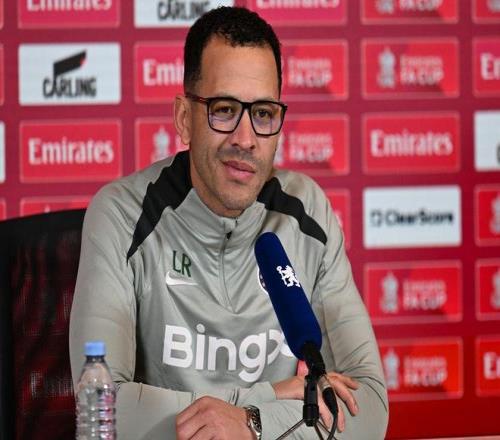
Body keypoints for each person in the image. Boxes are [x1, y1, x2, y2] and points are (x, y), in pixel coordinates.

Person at [69, 6, 388, 439]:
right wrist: (267, 399)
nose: (245, 138)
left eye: (263, 114)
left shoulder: (307, 213)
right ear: (185, 119)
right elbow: (101, 405)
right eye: (224, 109)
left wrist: (252, 425)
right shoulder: (122, 215)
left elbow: (369, 408)